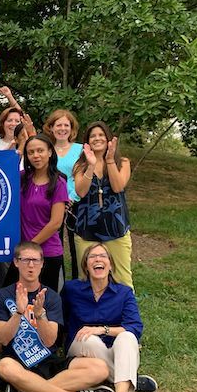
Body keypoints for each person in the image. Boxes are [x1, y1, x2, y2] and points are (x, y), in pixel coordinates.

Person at [0, 242, 114, 392]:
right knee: (4, 366)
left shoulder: (50, 296)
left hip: (48, 362)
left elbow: (50, 341)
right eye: (25, 260)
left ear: (42, 264)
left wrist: (39, 315)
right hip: (18, 362)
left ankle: (25, 390)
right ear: (16, 262)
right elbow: (3, 339)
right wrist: (19, 313)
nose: (30, 265)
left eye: (35, 260)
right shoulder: (2, 295)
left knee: (100, 368)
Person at [62, 243, 157, 392]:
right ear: (86, 265)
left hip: (114, 350)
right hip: (82, 347)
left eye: (103, 256)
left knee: (127, 337)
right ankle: (128, 380)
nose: (98, 259)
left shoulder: (123, 293)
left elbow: (135, 327)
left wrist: (103, 329)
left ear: (111, 264)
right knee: (89, 339)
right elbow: (61, 320)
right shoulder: (71, 289)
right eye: (92, 256)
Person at [72, 122, 133, 289]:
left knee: (122, 278)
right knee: (86, 279)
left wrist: (110, 161)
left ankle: (126, 314)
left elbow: (118, 186)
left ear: (108, 139)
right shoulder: (80, 165)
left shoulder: (123, 162)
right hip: (87, 230)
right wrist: (90, 165)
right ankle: (88, 314)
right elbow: (81, 192)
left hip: (116, 228)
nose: (97, 138)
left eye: (101, 135)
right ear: (87, 142)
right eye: (93, 136)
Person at [4, 134, 68, 292]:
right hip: (22, 252)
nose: (36, 156)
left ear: (50, 152)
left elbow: (55, 223)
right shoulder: (22, 178)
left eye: (40, 150)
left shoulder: (59, 183)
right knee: (10, 295)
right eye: (31, 152)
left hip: (47, 253)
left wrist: (30, 247)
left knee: (43, 301)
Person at [43, 109, 83, 278]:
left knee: (76, 248)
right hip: (50, 204)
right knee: (54, 247)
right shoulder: (46, 149)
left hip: (75, 203)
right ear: (51, 128)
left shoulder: (80, 149)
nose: (62, 128)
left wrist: (71, 198)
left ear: (71, 128)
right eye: (58, 125)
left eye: (66, 125)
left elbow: (81, 176)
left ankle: (78, 284)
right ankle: (57, 286)